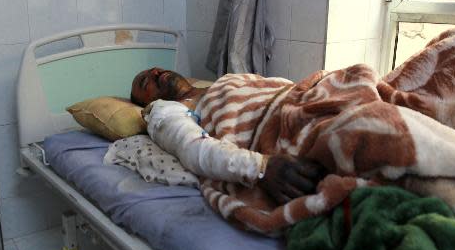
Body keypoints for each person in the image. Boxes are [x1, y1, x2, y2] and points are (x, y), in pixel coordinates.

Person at [130, 67, 326, 205]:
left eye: (156, 69)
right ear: (145, 102)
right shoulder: (165, 110)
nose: (155, 72)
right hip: (294, 125)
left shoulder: (225, 81)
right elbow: (190, 146)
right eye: (145, 81)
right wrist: (260, 167)